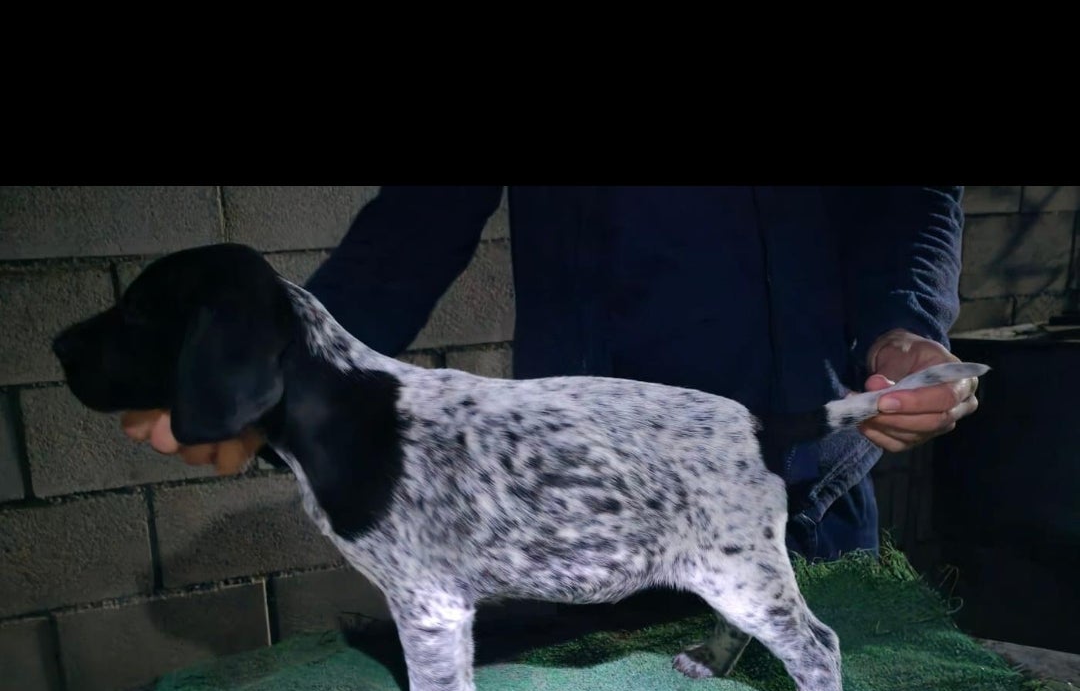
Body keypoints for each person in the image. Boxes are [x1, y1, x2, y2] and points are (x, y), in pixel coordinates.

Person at [120, 185, 977, 560]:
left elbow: (909, 193)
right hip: (583, 487)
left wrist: (906, 322)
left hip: (796, 485)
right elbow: (414, 225)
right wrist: (274, 381)